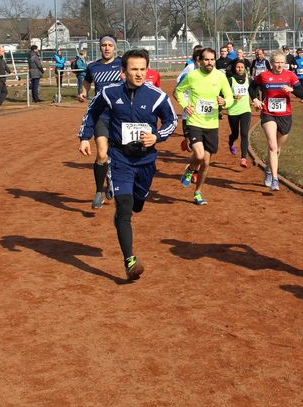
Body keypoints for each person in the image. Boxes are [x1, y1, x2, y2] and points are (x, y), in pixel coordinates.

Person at [78, 49, 177, 281]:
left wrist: (157, 136)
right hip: (120, 158)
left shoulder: (157, 96)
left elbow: (171, 121)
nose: (139, 74)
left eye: (143, 69)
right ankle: (130, 260)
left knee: (137, 204)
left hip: (146, 160)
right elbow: (92, 112)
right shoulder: (110, 93)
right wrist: (84, 137)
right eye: (134, 69)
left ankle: (134, 202)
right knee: (124, 208)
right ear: (123, 71)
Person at [174, 47, 234, 205]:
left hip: (212, 124)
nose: (209, 62)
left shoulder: (220, 77)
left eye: (212, 59)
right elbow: (178, 91)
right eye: (206, 59)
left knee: (206, 162)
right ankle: (190, 169)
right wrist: (185, 105)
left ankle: (198, 192)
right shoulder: (192, 76)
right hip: (194, 122)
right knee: (199, 156)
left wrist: (225, 102)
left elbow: (229, 96)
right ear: (200, 61)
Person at [250, 50, 303, 191]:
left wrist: (292, 89)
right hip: (268, 114)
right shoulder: (264, 75)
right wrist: (255, 99)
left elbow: (302, 94)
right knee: (273, 147)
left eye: (282, 62)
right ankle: (275, 179)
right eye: (276, 62)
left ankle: (268, 170)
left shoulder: (290, 75)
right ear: (271, 63)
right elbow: (252, 86)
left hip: (285, 115)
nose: (279, 65)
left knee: (277, 149)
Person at [79, 35, 123, 209]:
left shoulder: (122, 64)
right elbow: (87, 80)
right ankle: (98, 193)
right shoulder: (93, 66)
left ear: (115, 47)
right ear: (100, 47)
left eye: (110, 45)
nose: (107, 48)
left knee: (118, 154)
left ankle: (111, 174)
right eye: (104, 45)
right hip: (101, 116)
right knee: (102, 154)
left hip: (120, 116)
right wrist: (83, 92)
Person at [175, 45, 204, 153]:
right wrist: (185, 88)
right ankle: (187, 138)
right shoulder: (190, 67)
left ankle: (193, 141)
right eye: (199, 59)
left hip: (200, 98)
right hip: (187, 96)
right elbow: (179, 79)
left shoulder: (207, 69)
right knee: (186, 116)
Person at [227, 59, 252, 168]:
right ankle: (231, 141)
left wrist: (255, 100)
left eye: (242, 67)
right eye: (238, 67)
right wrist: (233, 96)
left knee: (244, 134)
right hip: (233, 111)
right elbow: (223, 94)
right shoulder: (230, 80)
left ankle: (243, 158)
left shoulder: (248, 80)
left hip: (245, 110)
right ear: (235, 68)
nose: (240, 69)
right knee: (235, 134)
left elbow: (253, 91)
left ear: (244, 68)